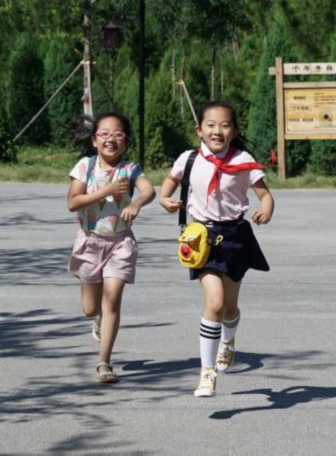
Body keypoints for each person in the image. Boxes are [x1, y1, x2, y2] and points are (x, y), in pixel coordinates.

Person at [159, 100, 275, 397]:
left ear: (234, 130)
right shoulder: (189, 159)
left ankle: (228, 341)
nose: (217, 131)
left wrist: (265, 209)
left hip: (236, 237)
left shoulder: (242, 160)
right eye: (210, 125)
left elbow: (265, 195)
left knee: (229, 308)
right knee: (214, 302)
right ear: (199, 129)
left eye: (224, 125)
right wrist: (165, 200)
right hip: (203, 239)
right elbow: (169, 184)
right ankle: (206, 373)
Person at [67, 111, 155, 384]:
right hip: (90, 242)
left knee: (113, 299)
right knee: (90, 307)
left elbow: (148, 190)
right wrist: (105, 191)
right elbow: (73, 202)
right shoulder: (85, 167)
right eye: (104, 134)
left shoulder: (129, 169)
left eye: (118, 134)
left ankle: (104, 361)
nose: (111, 139)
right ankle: (97, 320)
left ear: (125, 141)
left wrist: (135, 203)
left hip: (120, 243)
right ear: (94, 140)